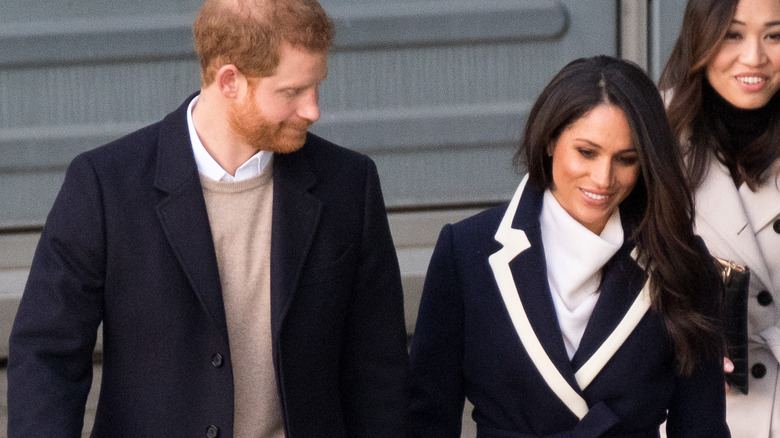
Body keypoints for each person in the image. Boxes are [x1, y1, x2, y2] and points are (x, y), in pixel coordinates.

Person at [7, 0, 408, 437]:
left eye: (316, 87)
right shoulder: (105, 185)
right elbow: (47, 355)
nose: (313, 110)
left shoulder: (349, 184)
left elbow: (378, 368)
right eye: (292, 92)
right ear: (230, 81)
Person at [408, 56, 729, 437]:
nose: (603, 178)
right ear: (549, 141)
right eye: (587, 152)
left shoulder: (682, 263)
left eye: (626, 159)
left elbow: (701, 429)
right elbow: (426, 420)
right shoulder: (466, 252)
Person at [659, 0, 780, 435]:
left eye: (775, 35)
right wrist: (672, 338)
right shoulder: (648, 132)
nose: (754, 57)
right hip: (703, 413)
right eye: (733, 34)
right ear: (701, 35)